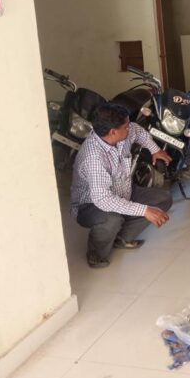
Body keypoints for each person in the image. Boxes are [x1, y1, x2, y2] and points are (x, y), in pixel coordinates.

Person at [70, 102, 173, 268]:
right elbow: (103, 200)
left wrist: (155, 149)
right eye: (126, 126)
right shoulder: (93, 157)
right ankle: (96, 254)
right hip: (91, 205)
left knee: (163, 199)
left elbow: (138, 131)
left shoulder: (123, 134)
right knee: (112, 219)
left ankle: (120, 238)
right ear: (113, 132)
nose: (129, 128)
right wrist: (144, 210)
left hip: (124, 190)